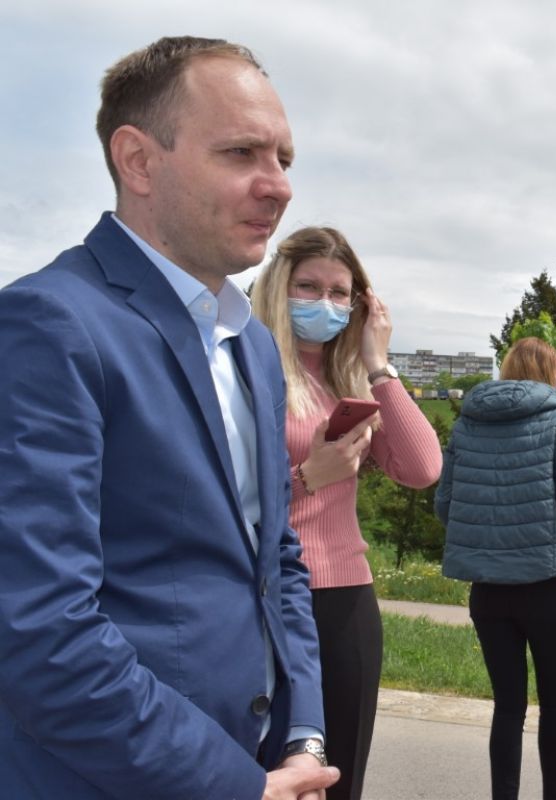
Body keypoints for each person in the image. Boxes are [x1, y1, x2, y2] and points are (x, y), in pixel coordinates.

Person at [0, 36, 339, 798]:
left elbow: (277, 560)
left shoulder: (253, 344)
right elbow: (41, 633)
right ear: (139, 161)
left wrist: (302, 737)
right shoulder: (48, 325)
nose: (279, 187)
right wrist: (233, 785)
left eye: (284, 158)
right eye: (242, 152)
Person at [251, 226, 443, 800]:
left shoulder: (349, 380)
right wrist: (307, 478)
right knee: (261, 775)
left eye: (339, 293)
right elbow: (222, 496)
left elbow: (422, 468)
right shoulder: (247, 365)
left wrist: (378, 364)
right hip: (261, 595)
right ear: (279, 288)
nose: (325, 303)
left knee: (338, 779)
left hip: (344, 599)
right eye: (309, 288)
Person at [436, 337, 556, 800]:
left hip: (488, 589)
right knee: (555, 706)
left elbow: (445, 506)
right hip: (548, 585)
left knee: (507, 707)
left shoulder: (467, 423)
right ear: (553, 376)